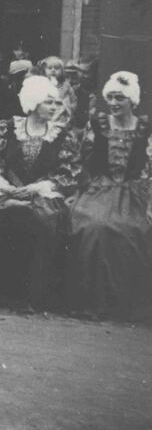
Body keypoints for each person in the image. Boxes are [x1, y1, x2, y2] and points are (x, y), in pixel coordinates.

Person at [0, 76, 81, 311]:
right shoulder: (7, 127)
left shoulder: (62, 133)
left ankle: (32, 295)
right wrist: (3, 184)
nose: (54, 107)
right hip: (8, 189)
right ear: (33, 102)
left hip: (43, 193)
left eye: (57, 103)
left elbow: (68, 171)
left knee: (46, 220)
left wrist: (37, 187)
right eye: (48, 102)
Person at [66, 72, 152, 322]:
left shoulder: (145, 128)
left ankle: (122, 304)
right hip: (99, 189)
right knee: (94, 226)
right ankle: (91, 300)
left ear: (132, 101)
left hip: (134, 191)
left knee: (131, 228)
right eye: (110, 97)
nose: (113, 103)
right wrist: (78, 189)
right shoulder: (98, 124)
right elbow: (82, 160)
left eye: (120, 98)